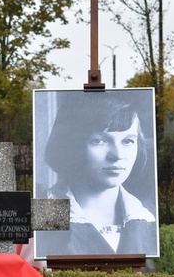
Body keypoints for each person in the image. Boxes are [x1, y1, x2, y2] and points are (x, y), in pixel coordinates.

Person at [36, 92, 158, 257]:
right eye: (99, 140)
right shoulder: (45, 214)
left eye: (128, 141)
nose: (117, 155)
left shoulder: (148, 216)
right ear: (73, 144)